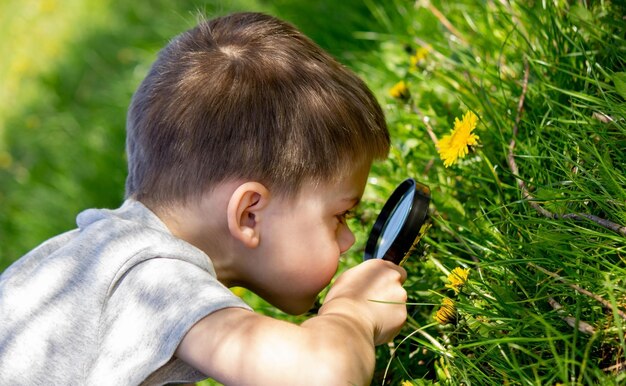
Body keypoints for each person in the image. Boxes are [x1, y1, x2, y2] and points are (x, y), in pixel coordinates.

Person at [0, 12, 407, 385]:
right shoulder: (155, 281)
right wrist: (354, 314)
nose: (348, 240)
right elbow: (322, 376)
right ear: (249, 214)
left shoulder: (78, 260)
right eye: (340, 216)